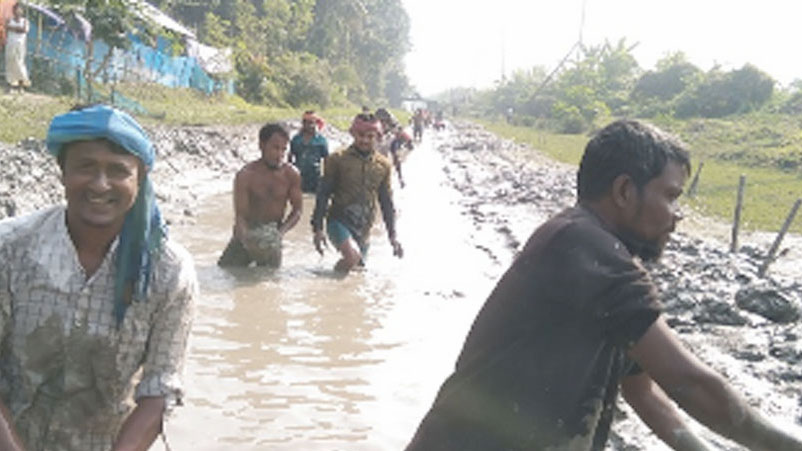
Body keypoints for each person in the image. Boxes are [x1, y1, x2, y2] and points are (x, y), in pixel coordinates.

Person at [405, 119, 802, 451]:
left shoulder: (587, 250)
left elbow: (643, 390)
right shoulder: (584, 247)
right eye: (671, 196)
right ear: (625, 191)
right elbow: (688, 382)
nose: (677, 215)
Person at [0, 104, 197, 451]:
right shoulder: (9, 250)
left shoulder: (168, 272)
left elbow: (157, 393)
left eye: (118, 171)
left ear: (140, 179)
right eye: (85, 167)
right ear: (62, 171)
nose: (100, 184)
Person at [311, 113, 403, 273]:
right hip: (338, 221)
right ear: (353, 133)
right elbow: (323, 194)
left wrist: (393, 236)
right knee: (351, 258)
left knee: (356, 271)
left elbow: (386, 202)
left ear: (378, 137)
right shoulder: (337, 159)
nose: (365, 140)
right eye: (361, 135)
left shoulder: (383, 165)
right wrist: (318, 228)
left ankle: (333, 289)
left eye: (370, 136)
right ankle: (332, 284)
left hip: (364, 228)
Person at [218, 123, 302, 268]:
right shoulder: (245, 176)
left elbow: (297, 211)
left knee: (270, 283)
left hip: (273, 235)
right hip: (246, 234)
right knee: (226, 272)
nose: (280, 155)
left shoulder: (291, 174)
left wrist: (280, 234)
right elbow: (240, 216)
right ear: (261, 146)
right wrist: (246, 240)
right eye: (275, 148)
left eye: (284, 149)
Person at [289, 110, 329, 194]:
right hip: (298, 176)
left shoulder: (321, 140)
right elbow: (290, 157)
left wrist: (326, 177)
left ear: (316, 123)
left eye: (311, 122)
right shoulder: (296, 139)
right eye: (305, 122)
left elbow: (326, 160)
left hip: (314, 177)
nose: (308, 125)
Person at [5, 2, 30, 92]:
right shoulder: (9, 20)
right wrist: (15, 28)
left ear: (22, 11)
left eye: (19, 9)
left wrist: (13, 28)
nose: (18, 11)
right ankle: (10, 85)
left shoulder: (25, 21)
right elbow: (7, 27)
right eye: (16, 9)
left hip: (20, 45)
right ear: (13, 10)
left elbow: (24, 30)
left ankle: (21, 85)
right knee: (10, 63)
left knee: (19, 63)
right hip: (10, 44)